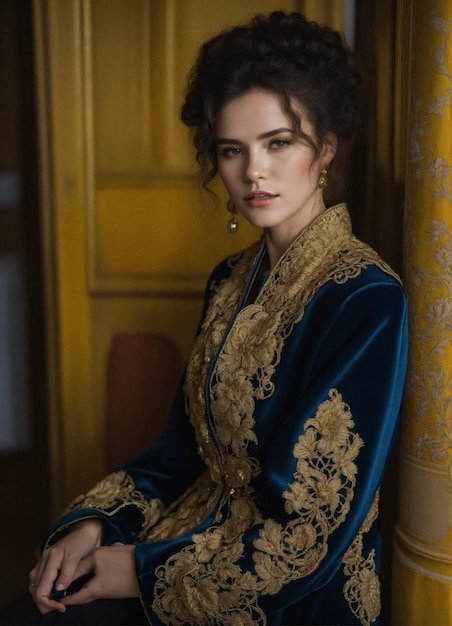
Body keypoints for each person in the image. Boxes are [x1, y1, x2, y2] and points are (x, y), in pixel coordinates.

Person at [27, 11, 408, 626]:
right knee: (47, 599)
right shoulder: (230, 280)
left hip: (292, 595)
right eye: (233, 150)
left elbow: (311, 534)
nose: (253, 172)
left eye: (278, 143)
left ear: (328, 146)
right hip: (188, 535)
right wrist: (96, 524)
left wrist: (142, 572)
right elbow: (178, 455)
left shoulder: (365, 298)